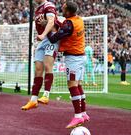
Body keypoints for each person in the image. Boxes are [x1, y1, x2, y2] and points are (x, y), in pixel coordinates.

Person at [47, 1, 89, 129]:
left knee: (72, 85)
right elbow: (66, 27)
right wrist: (57, 22)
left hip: (73, 58)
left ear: (69, 12)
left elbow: (54, 38)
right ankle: (84, 113)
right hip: (81, 56)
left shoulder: (69, 24)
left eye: (64, 9)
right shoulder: (78, 20)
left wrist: (47, 29)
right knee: (79, 84)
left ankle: (77, 116)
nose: (61, 10)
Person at [21, 0, 59, 110]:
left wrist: (43, 34)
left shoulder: (49, 5)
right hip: (43, 40)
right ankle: (33, 100)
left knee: (48, 66)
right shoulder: (38, 9)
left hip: (51, 38)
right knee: (38, 69)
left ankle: (46, 95)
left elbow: (51, 22)